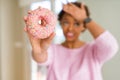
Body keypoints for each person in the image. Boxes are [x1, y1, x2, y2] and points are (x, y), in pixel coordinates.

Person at [24, 2, 119, 80]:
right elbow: (41, 57)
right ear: (60, 23)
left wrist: (85, 19)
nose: (70, 28)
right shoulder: (53, 50)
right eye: (66, 22)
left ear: (84, 26)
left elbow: (111, 47)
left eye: (77, 23)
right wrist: (39, 50)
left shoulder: (93, 51)